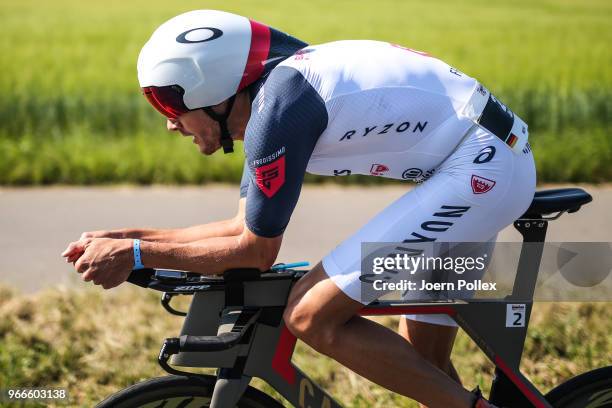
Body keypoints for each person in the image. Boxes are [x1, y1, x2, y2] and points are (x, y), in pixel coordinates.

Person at [61, 9, 535, 408]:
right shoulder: (276, 97)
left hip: (481, 171)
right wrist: (126, 239)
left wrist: (139, 256)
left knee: (310, 314)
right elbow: (239, 228)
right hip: (485, 163)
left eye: (168, 104)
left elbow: (254, 251)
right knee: (427, 374)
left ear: (214, 91)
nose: (170, 125)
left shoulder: (280, 109)